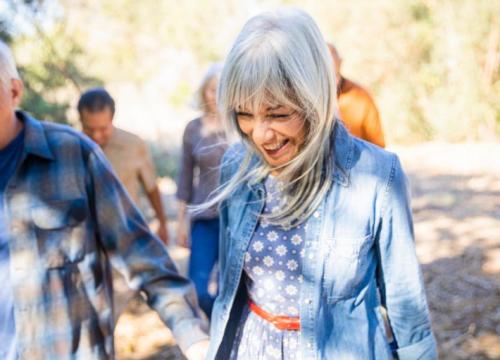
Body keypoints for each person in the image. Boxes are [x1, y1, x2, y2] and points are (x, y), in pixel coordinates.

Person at [203, 9, 437, 359]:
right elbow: (230, 290)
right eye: (244, 114)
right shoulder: (236, 167)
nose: (260, 134)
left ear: (315, 98)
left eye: (279, 114)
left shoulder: (377, 175)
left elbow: (406, 307)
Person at [0, 40, 208, 359]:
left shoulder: (72, 154)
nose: (98, 134)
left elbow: (141, 253)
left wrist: (192, 336)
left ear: (14, 91)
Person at [78, 88, 169, 245]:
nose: (96, 136)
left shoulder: (133, 144)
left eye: (103, 129)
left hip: (128, 232)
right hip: (87, 236)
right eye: (89, 129)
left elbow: (151, 187)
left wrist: (162, 223)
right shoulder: (71, 147)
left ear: (112, 119)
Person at [177, 63, 227, 318]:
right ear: (203, 92)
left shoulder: (240, 126)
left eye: (221, 89)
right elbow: (185, 179)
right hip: (203, 220)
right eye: (211, 89)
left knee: (228, 290)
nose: (216, 95)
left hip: (234, 220)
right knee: (197, 288)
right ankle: (213, 324)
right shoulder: (193, 129)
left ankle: (222, 343)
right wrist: (180, 224)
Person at [327, 42, 386, 148]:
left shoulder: (360, 96)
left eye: (335, 75)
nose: (332, 82)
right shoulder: (305, 99)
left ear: (340, 63)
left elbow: (378, 145)